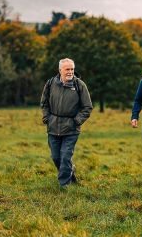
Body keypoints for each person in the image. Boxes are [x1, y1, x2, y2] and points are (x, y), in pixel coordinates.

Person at [40, 58, 93, 188]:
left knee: (65, 157)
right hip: (53, 127)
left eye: (72, 69)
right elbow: (44, 102)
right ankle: (70, 172)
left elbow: (87, 107)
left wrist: (77, 121)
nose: (70, 72)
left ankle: (64, 186)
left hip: (71, 129)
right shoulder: (51, 83)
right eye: (67, 69)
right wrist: (47, 117)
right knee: (56, 157)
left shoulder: (80, 85)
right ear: (60, 70)